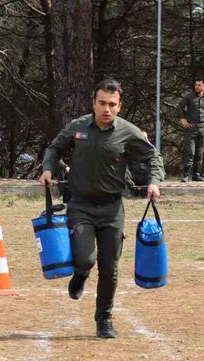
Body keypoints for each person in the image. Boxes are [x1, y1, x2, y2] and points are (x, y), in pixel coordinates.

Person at [40, 79, 164, 339]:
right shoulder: (78, 127)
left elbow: (153, 157)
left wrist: (154, 182)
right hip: (80, 205)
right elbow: (55, 147)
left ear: (119, 107)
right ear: (94, 103)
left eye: (112, 104)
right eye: (102, 103)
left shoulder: (129, 132)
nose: (106, 109)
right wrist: (49, 167)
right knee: (85, 258)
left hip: (112, 208)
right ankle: (81, 272)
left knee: (110, 268)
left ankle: (104, 318)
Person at [177, 77, 204, 182]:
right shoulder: (189, 97)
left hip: (203, 128)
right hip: (191, 128)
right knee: (190, 152)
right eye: (196, 85)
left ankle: (196, 174)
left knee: (199, 153)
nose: (197, 87)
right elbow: (179, 107)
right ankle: (186, 175)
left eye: (199, 85)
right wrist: (183, 120)